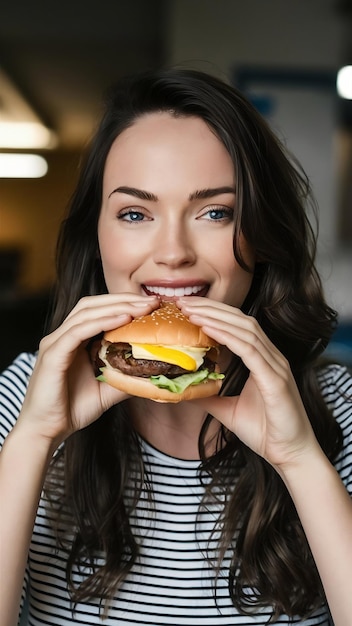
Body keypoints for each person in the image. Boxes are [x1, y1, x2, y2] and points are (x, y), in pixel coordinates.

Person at [0, 68, 351, 626]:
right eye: (135, 213)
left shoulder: (338, 406)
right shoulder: (26, 391)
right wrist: (32, 442)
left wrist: (302, 461)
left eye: (215, 212)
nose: (172, 253)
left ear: (260, 234)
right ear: (98, 236)